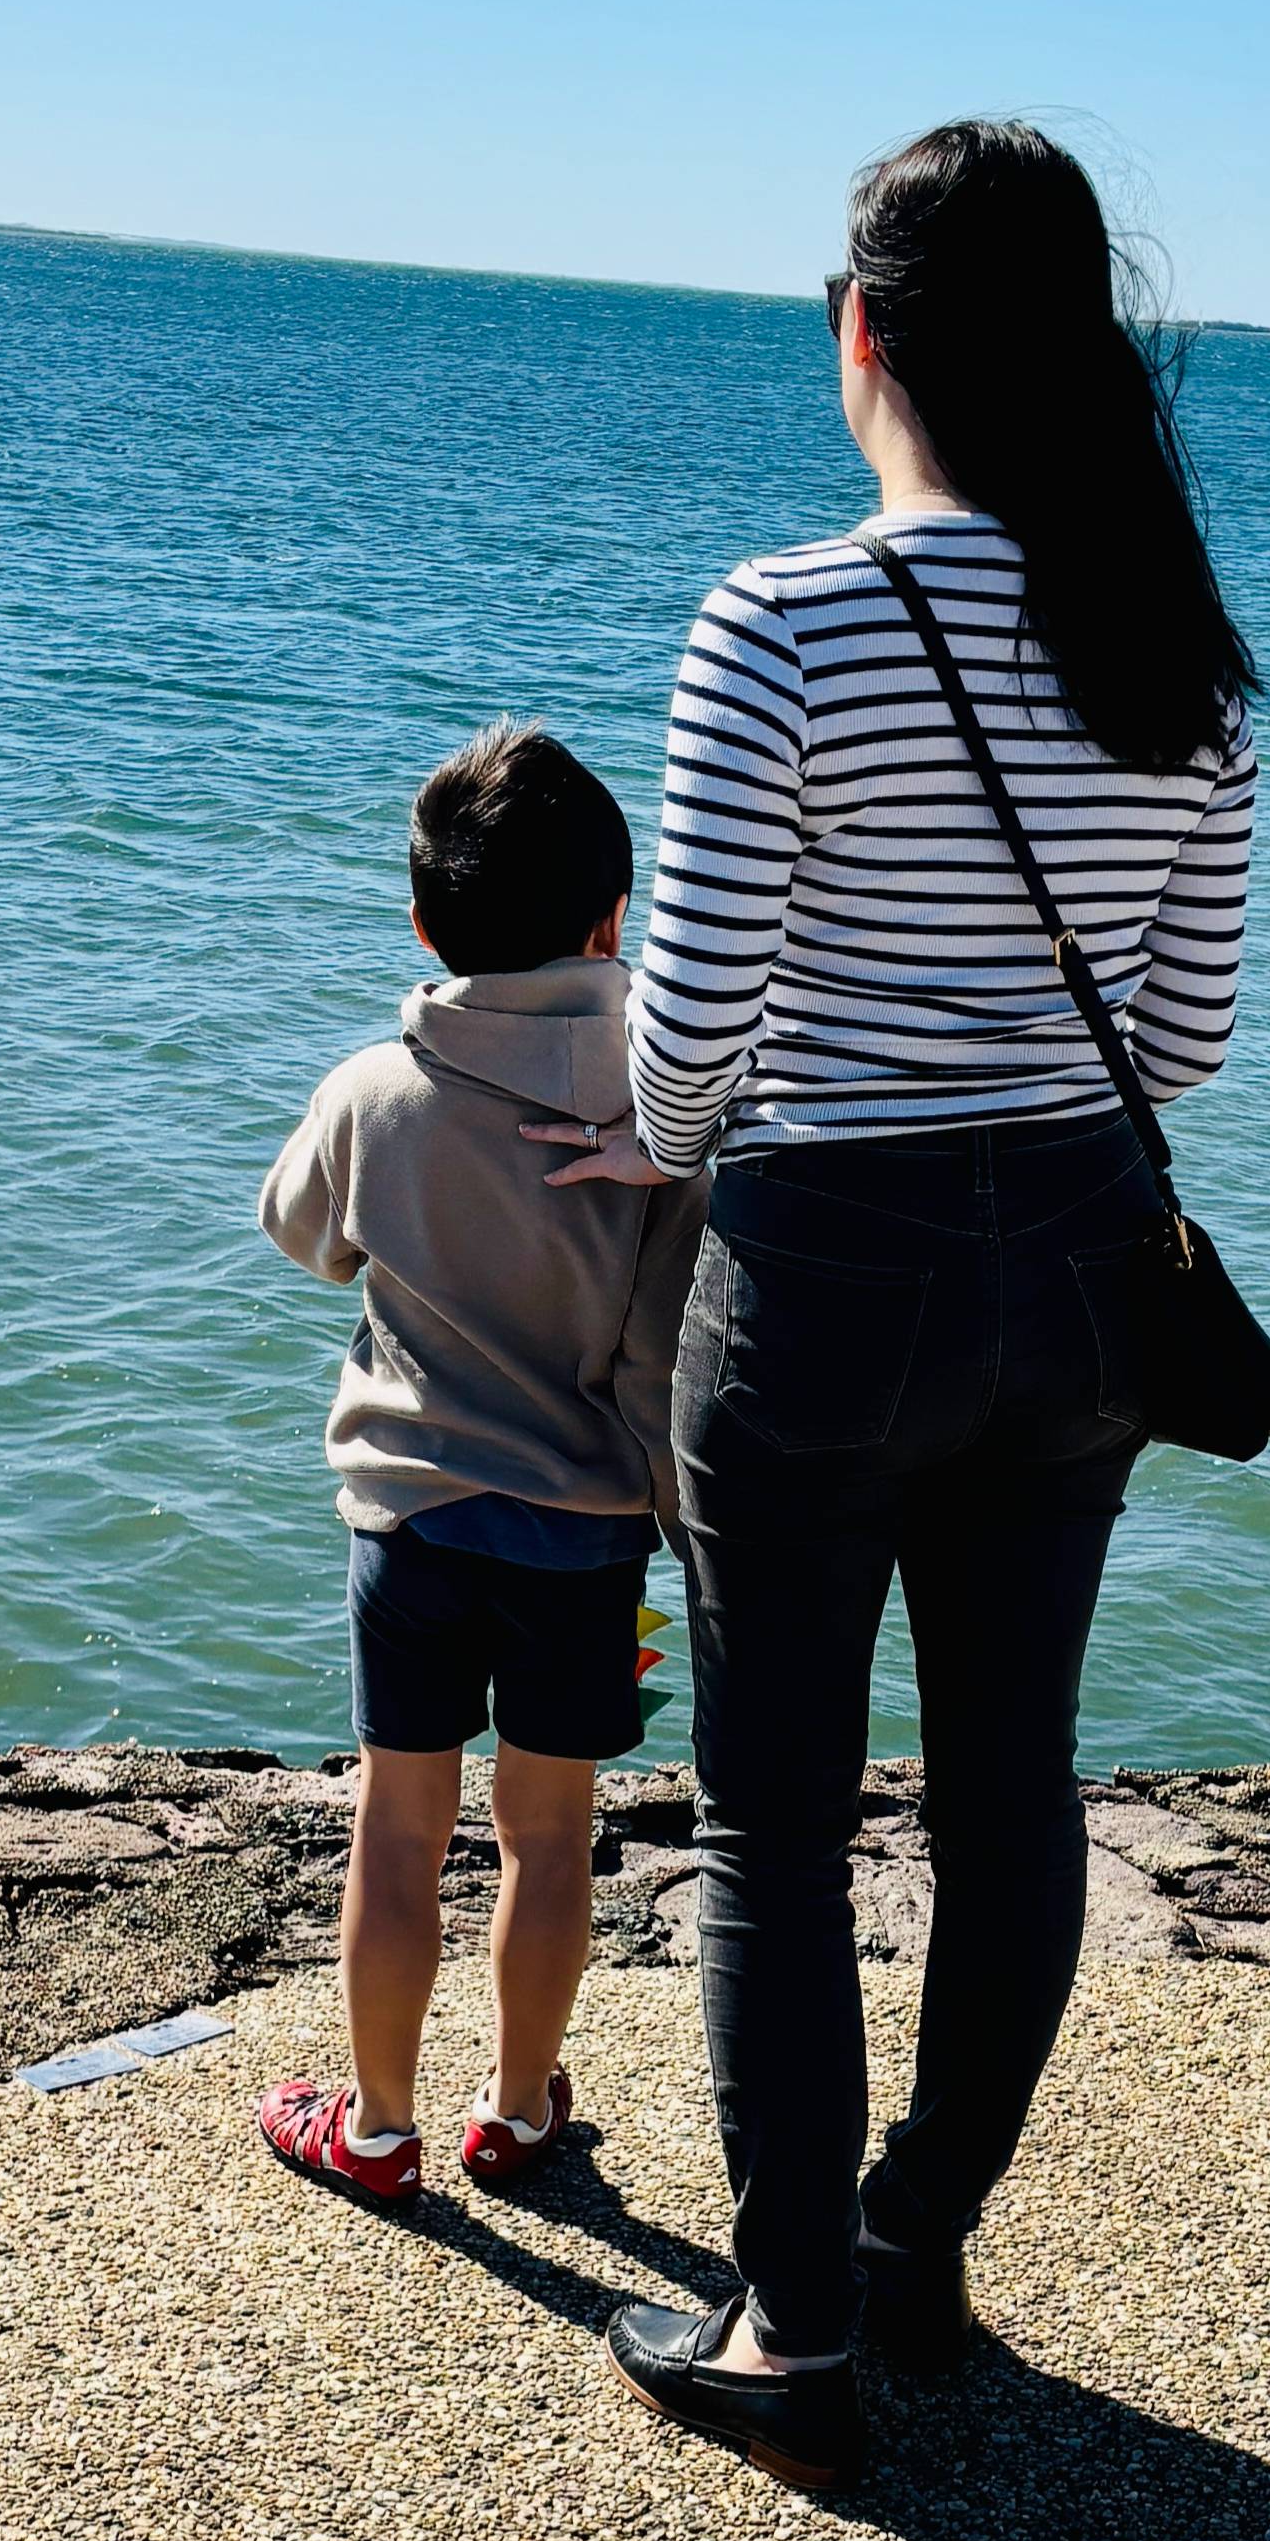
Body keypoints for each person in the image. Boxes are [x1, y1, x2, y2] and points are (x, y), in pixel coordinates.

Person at [534, 121, 1261, 2491]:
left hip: (820, 1276)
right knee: (1012, 1775)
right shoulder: (1177, 649)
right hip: (1070, 1274)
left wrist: (684, 1123)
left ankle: (792, 2322)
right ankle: (922, 2242)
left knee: (768, 1818)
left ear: (860, 333)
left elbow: (691, 1042)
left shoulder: (783, 619)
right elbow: (1182, 1045)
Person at [255, 720, 708, 2206]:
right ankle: (517, 2109)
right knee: (551, 1835)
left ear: (423, 921)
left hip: (412, 1520)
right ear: (613, 919)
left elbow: (302, 1235)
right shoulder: (669, 1108)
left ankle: (376, 2121)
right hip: (589, 1537)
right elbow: (677, 1321)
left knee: (398, 1828)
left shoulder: (375, 1086)